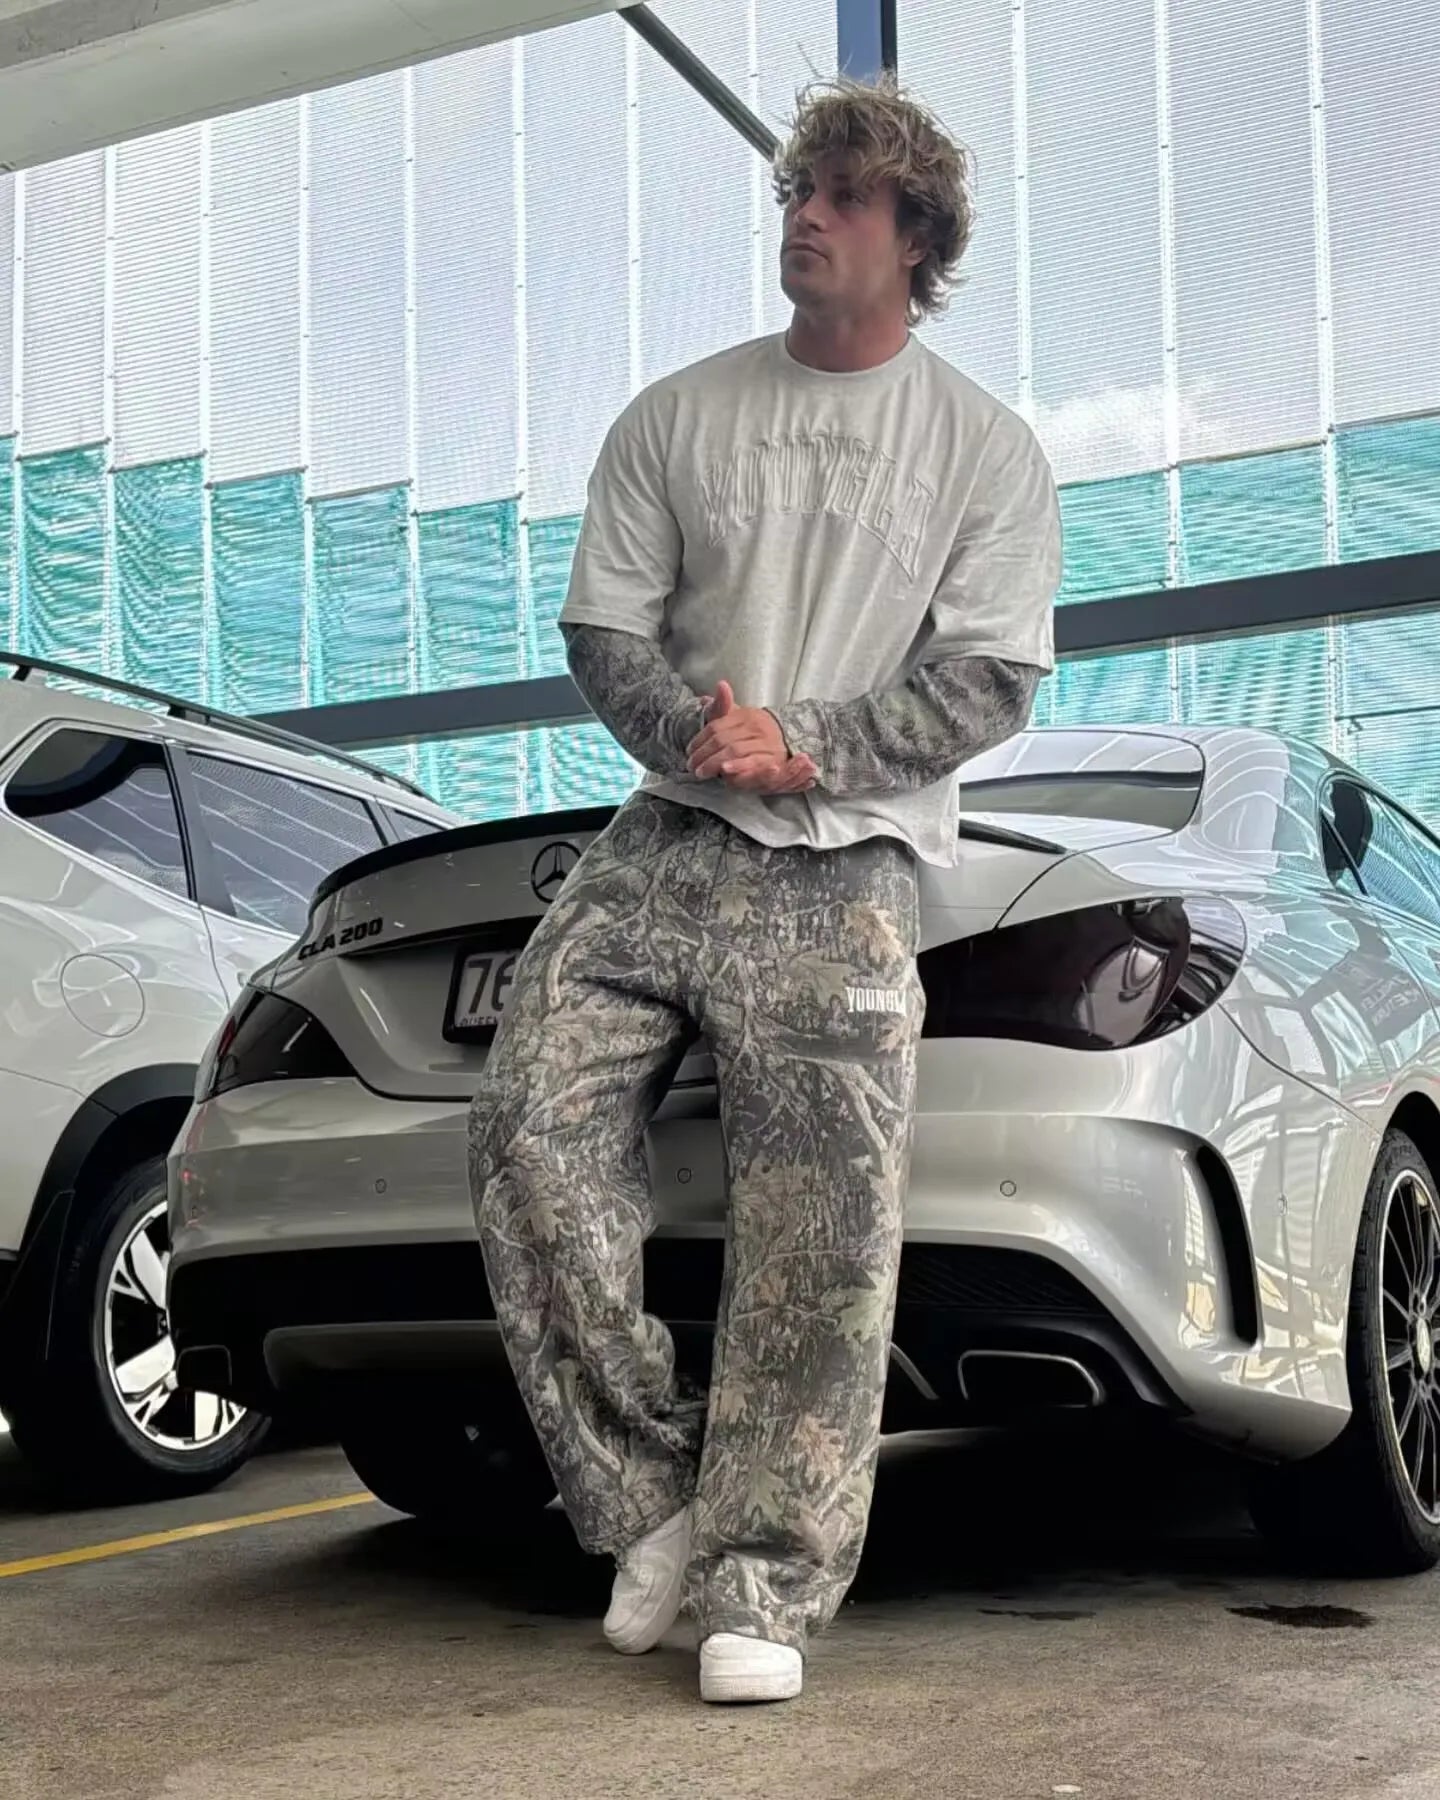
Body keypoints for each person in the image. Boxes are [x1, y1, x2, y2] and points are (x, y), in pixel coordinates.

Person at [470, 73, 1061, 1706]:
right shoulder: (679, 415)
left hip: (849, 860)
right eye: (801, 188)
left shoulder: (983, 449)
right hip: (666, 834)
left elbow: (993, 678)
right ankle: (649, 1499)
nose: (807, 214)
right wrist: (700, 737)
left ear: (915, 236)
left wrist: (808, 748)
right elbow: (607, 628)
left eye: (846, 195)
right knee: (525, 1123)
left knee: (821, 1227)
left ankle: (768, 1584)